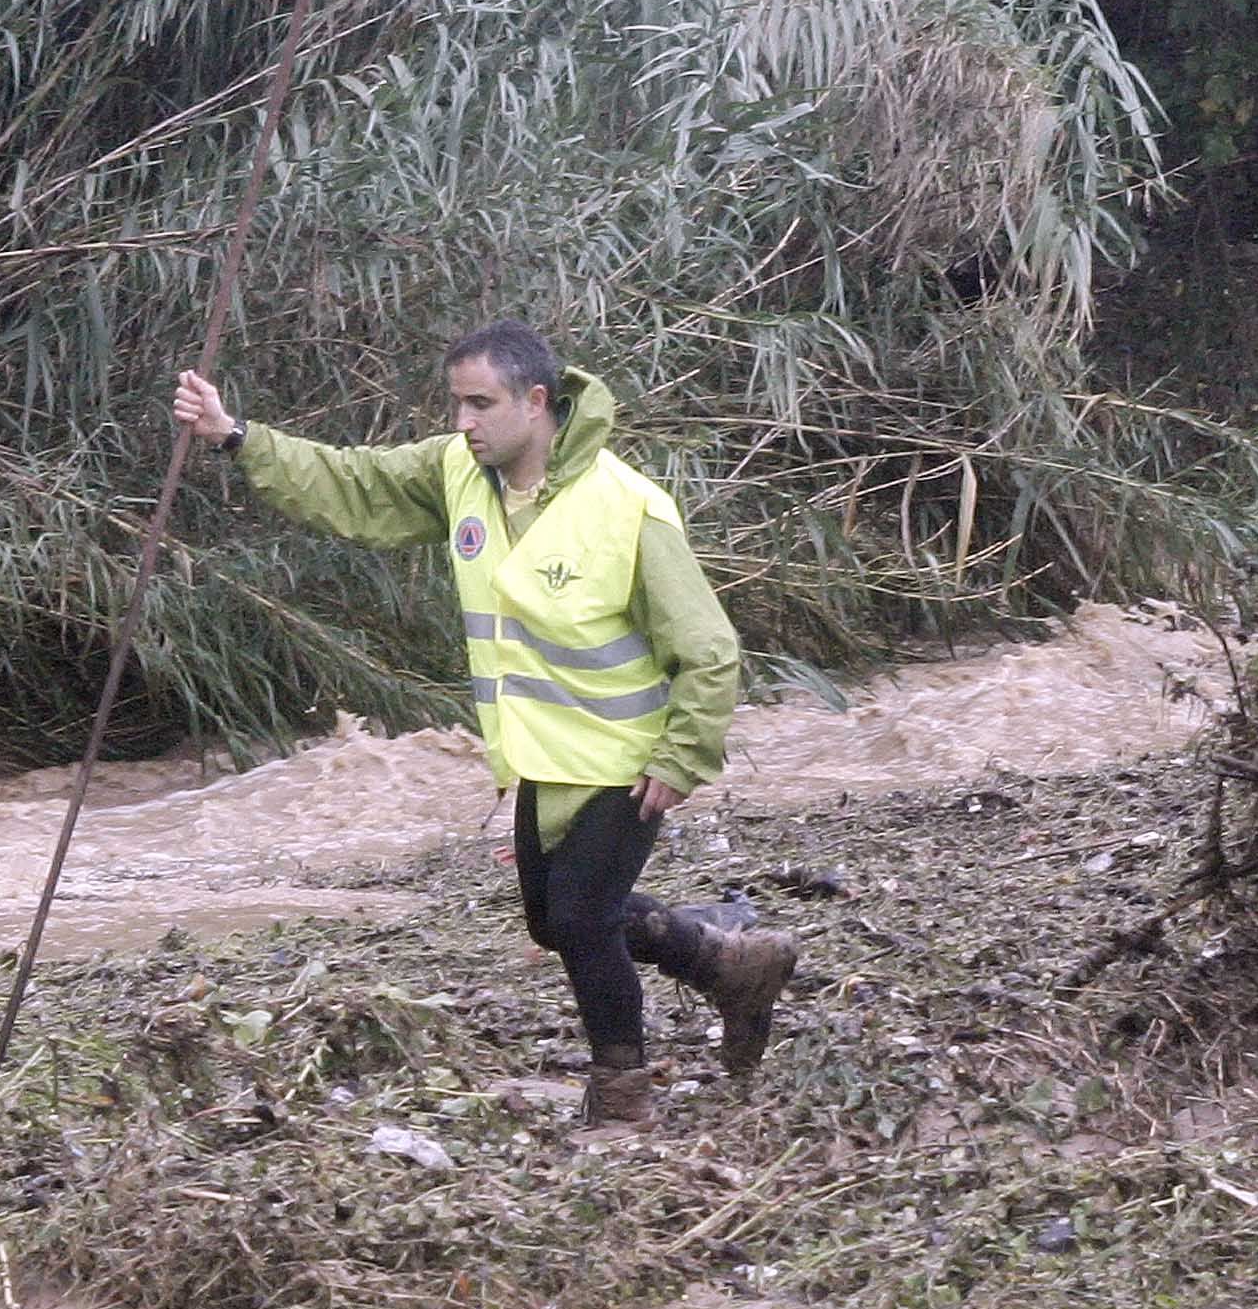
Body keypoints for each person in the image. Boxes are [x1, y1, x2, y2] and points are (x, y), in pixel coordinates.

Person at [172, 321, 800, 1124]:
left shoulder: (626, 506)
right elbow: (350, 483)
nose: (463, 422)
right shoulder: (458, 473)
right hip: (540, 754)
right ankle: (730, 962)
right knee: (555, 920)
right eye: (456, 403)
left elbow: (710, 648)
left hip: (629, 757)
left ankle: (623, 1100)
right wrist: (234, 436)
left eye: (481, 404)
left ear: (536, 402)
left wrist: (682, 757)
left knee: (579, 920)